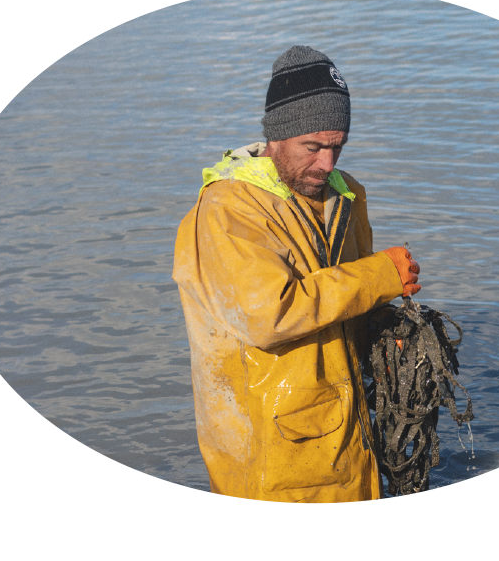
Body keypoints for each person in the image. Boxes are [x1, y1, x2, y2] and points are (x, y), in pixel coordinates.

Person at [172, 45, 421, 502]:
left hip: (347, 437)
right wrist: (381, 275)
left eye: (338, 146)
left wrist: (386, 327)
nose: (327, 163)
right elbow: (269, 317)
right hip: (268, 449)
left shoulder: (345, 196)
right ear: (277, 135)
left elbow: (351, 303)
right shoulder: (230, 208)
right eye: (314, 147)